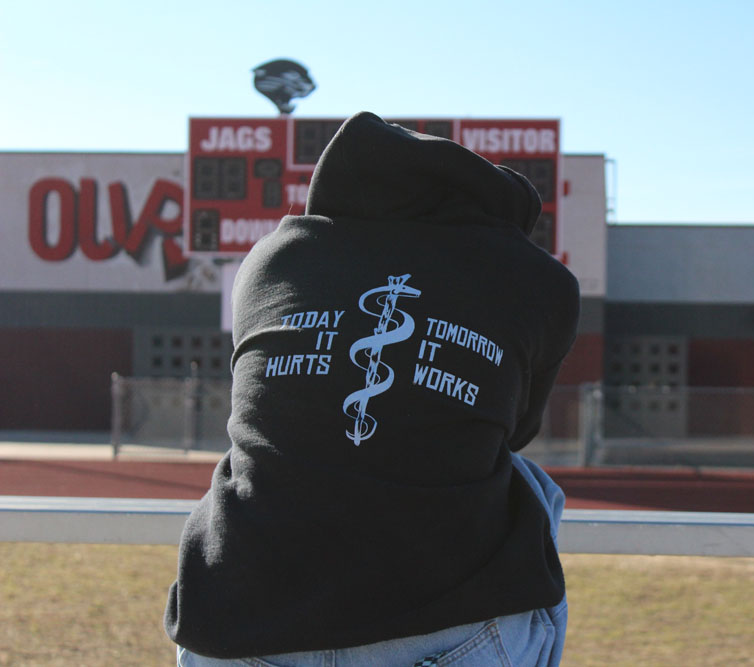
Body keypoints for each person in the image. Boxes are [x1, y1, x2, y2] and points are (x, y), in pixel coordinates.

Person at [164, 112, 580, 665]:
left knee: (269, 449)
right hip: (449, 624)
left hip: (238, 614)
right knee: (526, 483)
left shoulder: (272, 255)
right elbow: (517, 430)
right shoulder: (540, 281)